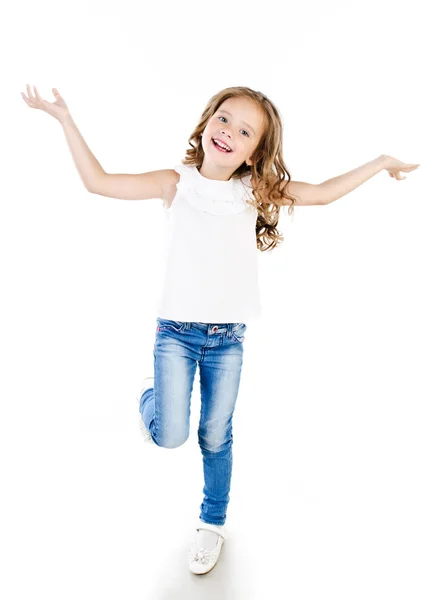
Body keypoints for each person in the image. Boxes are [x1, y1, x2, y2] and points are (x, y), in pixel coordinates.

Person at [21, 84, 420, 575]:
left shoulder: (252, 192)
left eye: (246, 131)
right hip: (175, 335)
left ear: (256, 153)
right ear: (207, 121)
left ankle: (212, 523)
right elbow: (98, 181)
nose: (230, 132)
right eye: (225, 119)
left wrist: (381, 161)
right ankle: (154, 401)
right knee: (170, 435)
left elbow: (321, 194)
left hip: (227, 339)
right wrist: (65, 119)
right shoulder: (175, 183)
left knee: (215, 434)